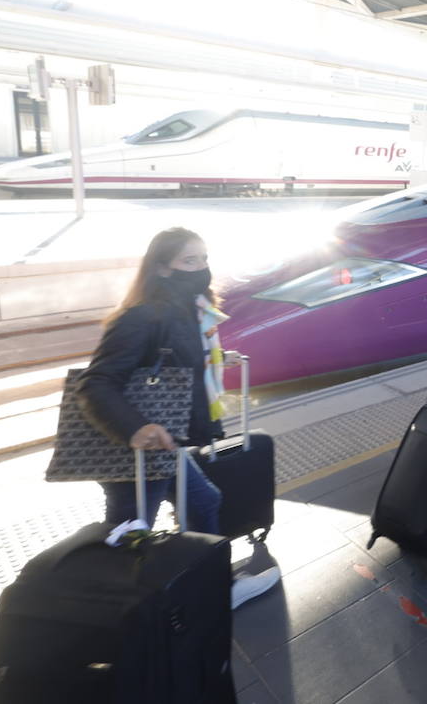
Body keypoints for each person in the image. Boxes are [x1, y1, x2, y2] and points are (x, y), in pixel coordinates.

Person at [76, 228, 280, 608]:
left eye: (204, 258)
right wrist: (135, 428)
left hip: (166, 442)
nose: (202, 268)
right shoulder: (142, 317)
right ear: (163, 268)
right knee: (130, 531)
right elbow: (95, 383)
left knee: (203, 502)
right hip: (140, 447)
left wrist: (217, 358)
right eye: (190, 260)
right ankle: (119, 612)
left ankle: (206, 587)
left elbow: (170, 358)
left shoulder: (187, 309)